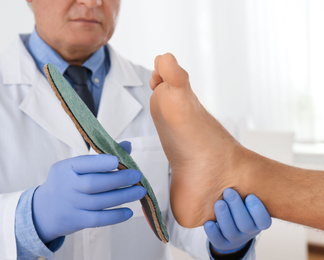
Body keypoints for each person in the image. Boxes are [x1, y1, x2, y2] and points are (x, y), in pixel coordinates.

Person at [0, 0, 272, 259]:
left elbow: (186, 220)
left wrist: (228, 245)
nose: (93, 2)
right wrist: (30, 217)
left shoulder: (157, 90)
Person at [149, 53, 324, 247]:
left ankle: (242, 174)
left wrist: (230, 250)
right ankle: (242, 173)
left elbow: (177, 221)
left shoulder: (145, 85)